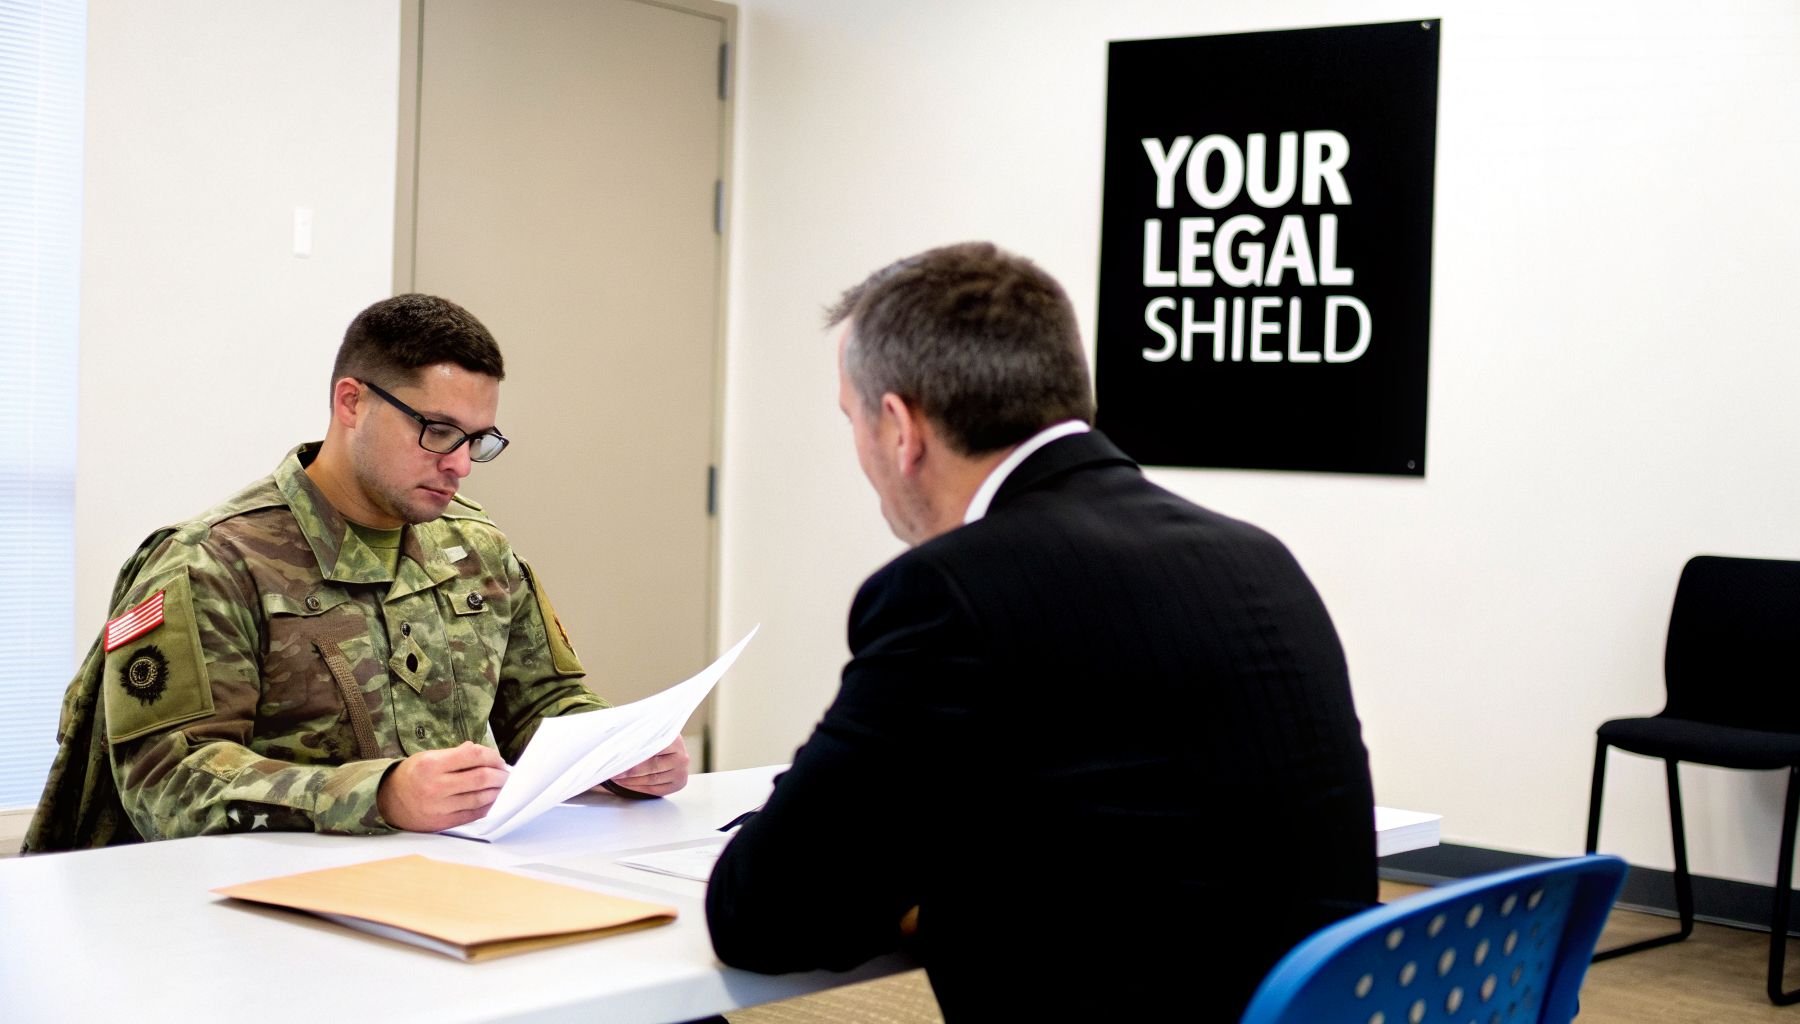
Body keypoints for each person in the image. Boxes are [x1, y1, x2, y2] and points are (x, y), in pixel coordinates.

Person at [705, 243, 1378, 1020]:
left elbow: (762, 914)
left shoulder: (953, 592)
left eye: (851, 418)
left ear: (899, 427)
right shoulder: (1257, 559)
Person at [25, 293, 687, 852]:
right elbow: (169, 781)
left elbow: (544, 704)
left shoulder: (478, 549)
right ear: (351, 401)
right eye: (437, 430)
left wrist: (618, 752)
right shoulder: (213, 563)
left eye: (478, 440)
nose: (459, 463)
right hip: (259, 914)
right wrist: (381, 794)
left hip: (454, 884)